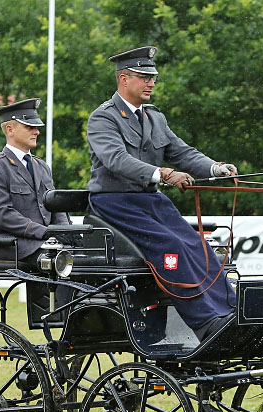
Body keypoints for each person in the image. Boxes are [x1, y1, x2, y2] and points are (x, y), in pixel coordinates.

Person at [86, 46, 238, 342]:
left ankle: (229, 313)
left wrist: (215, 168)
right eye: (144, 77)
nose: (151, 83)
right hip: (113, 203)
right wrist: (165, 174)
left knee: (199, 245)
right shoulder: (103, 118)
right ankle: (206, 323)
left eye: (153, 77)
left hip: (150, 201)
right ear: (123, 79)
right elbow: (116, 159)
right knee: (174, 247)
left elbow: (181, 153)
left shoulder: (155, 118)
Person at [0, 98, 69, 261]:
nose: (36, 132)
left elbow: (56, 206)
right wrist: (44, 232)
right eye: (29, 127)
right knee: (62, 263)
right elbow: (2, 214)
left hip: (45, 243)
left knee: (88, 261)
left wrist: (65, 233)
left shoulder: (41, 166)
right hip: (13, 245)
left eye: (36, 127)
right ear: (10, 129)